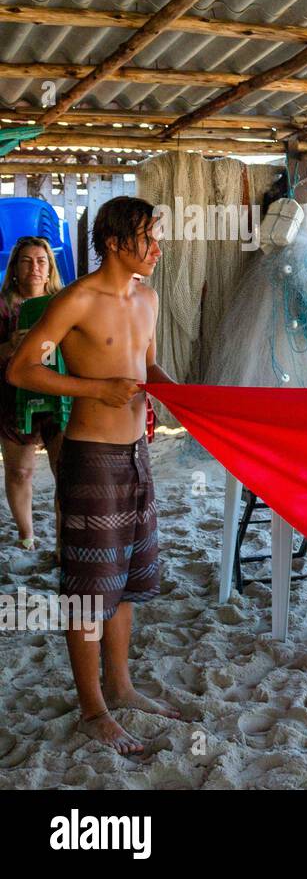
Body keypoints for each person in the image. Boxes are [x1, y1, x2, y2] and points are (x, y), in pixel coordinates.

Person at [9, 196, 179, 755]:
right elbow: (22, 367)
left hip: (137, 456)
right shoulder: (76, 300)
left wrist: (175, 390)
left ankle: (122, 687)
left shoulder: (148, 297)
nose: (156, 248)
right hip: (91, 458)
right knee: (88, 590)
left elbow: (145, 364)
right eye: (146, 238)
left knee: (125, 580)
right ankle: (91, 709)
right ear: (113, 242)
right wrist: (93, 388)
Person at [0, 236, 65, 549]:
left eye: (41, 261)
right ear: (15, 268)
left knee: (65, 474)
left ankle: (64, 544)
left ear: (50, 267)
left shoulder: (64, 304)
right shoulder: (2, 307)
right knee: (19, 472)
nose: (34, 267)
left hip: (58, 397)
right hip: (13, 399)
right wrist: (10, 346)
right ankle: (27, 537)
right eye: (26, 260)